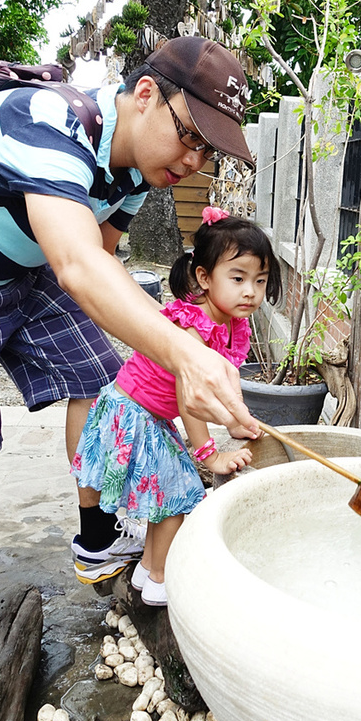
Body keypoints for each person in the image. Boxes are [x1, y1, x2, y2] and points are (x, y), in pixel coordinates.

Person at [0, 36, 260, 694]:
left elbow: (95, 263)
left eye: (207, 150)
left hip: (23, 273)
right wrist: (187, 353)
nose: (193, 159)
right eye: (189, 136)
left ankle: (98, 533)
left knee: (103, 380)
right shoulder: (49, 121)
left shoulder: (131, 175)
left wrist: (175, 355)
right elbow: (77, 264)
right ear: (146, 95)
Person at [71, 210, 281, 606]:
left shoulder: (232, 322)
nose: (250, 291)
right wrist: (209, 454)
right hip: (135, 414)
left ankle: (147, 568)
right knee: (178, 497)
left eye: (260, 280)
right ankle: (161, 581)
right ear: (204, 278)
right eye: (237, 278)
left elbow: (219, 385)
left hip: (146, 413)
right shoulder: (195, 324)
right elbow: (190, 402)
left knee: (162, 497)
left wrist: (238, 421)